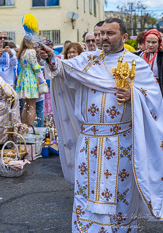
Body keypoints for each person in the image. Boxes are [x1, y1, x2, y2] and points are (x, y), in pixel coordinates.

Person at [41, 18, 163, 232]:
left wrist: (133, 94)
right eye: (101, 33)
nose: (103, 37)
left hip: (121, 144)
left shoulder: (137, 64)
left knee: (119, 193)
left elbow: (155, 100)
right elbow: (61, 69)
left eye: (110, 33)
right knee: (86, 192)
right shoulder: (87, 59)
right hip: (89, 143)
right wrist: (50, 56)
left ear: (125, 37)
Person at [16, 37, 42, 126]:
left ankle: (24, 126)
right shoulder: (31, 51)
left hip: (23, 78)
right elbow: (35, 67)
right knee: (32, 106)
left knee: (25, 105)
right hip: (30, 79)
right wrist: (42, 66)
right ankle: (30, 128)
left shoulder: (22, 51)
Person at [0, 74, 20, 145]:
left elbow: (9, 93)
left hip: (5, 100)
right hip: (0, 100)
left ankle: (2, 140)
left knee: (5, 118)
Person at [140, 29, 163, 95]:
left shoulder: (161, 56)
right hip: (142, 89)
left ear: (159, 43)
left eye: (154, 42)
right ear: (145, 42)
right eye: (148, 41)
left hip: (158, 90)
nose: (150, 45)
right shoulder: (139, 55)